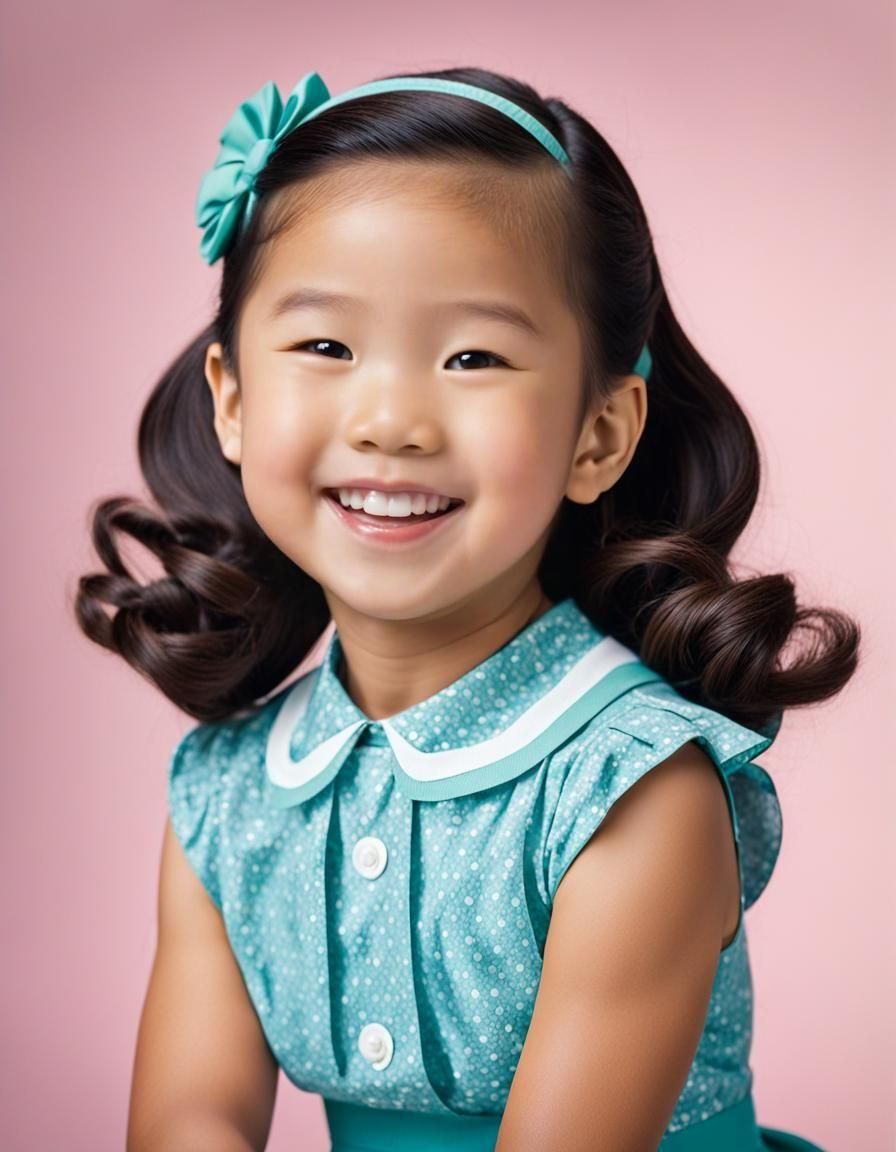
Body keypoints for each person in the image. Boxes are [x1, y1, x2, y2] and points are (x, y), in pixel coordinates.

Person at [76, 66, 860, 1152]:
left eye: (473, 357)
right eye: (326, 346)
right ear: (234, 401)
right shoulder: (228, 798)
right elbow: (189, 1117)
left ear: (598, 434)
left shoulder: (629, 793)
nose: (391, 419)